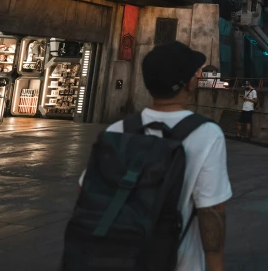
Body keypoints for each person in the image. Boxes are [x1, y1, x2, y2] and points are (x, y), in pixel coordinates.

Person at [77, 41, 232, 271]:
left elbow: (86, 191)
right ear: (190, 83)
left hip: (114, 258)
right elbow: (212, 211)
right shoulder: (206, 134)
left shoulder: (118, 129)